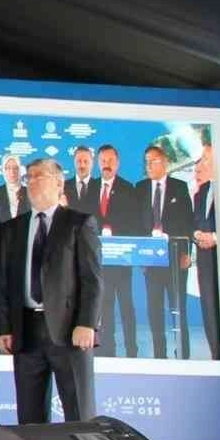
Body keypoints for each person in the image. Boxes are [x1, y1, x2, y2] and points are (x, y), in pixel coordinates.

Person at [0, 158, 101, 423]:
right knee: (30, 419)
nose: (31, 181)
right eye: (28, 177)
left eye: (38, 176)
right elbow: (3, 283)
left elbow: (92, 279)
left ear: (58, 182)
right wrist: (3, 327)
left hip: (69, 332)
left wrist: (87, 323)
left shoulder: (78, 223)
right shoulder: (12, 228)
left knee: (78, 414)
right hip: (26, 332)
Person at [140, 144, 194, 359]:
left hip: (176, 259)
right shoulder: (141, 188)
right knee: (154, 310)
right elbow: (136, 223)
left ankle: (183, 354)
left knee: (178, 309)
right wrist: (141, 255)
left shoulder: (179, 187)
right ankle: (159, 355)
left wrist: (187, 253)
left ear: (164, 163)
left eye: (153, 161)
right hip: (151, 261)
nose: (149, 166)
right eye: (146, 162)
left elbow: (188, 222)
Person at [94, 143, 139, 357]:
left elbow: (134, 222)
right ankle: (108, 350)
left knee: (126, 306)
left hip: (122, 261)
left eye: (110, 160)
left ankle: (131, 349)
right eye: (103, 161)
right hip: (99, 262)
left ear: (118, 163)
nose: (107, 164)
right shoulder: (92, 188)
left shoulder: (129, 189)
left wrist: (115, 230)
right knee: (105, 307)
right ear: (98, 163)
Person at [193, 144, 220, 360]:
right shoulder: (202, 191)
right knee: (209, 309)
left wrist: (216, 238)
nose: (200, 163)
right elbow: (194, 221)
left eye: (205, 158)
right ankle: (216, 357)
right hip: (204, 261)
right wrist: (197, 234)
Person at [0, 155, 27, 223]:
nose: (12, 172)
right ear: (3, 170)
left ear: (20, 170)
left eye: (15, 168)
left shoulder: (29, 193)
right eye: (8, 168)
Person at [64, 146, 97, 214]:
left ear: (92, 163)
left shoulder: (100, 187)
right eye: (79, 161)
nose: (82, 165)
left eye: (86, 161)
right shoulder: (63, 186)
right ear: (74, 162)